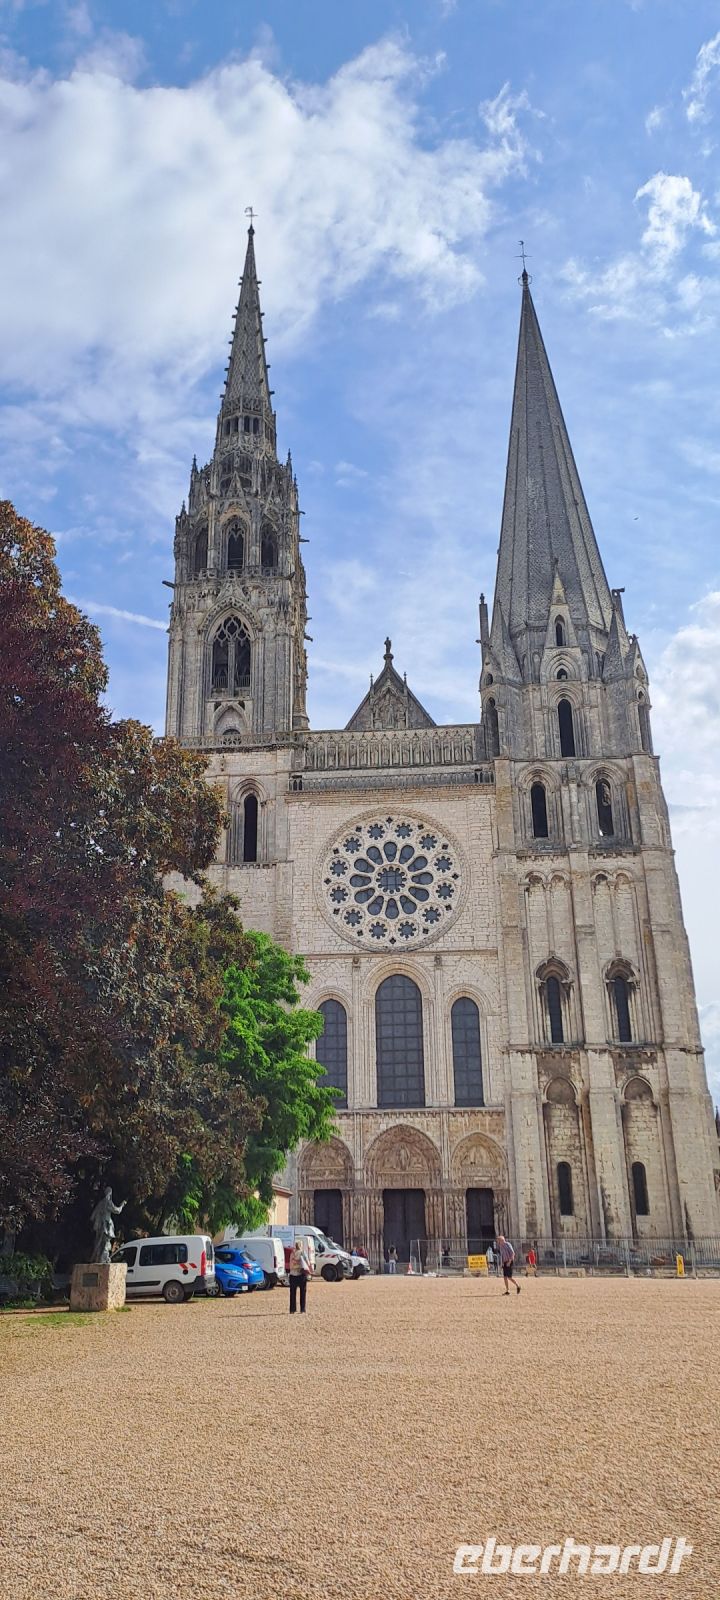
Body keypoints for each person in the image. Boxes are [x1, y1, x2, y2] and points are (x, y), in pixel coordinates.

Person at [288, 1239, 311, 1314]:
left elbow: (290, 1264)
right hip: (301, 1275)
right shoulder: (302, 1252)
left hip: (292, 1275)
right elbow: (308, 1262)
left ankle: (292, 1309)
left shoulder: (292, 1254)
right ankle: (302, 1309)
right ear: (301, 1245)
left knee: (292, 1294)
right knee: (302, 1293)